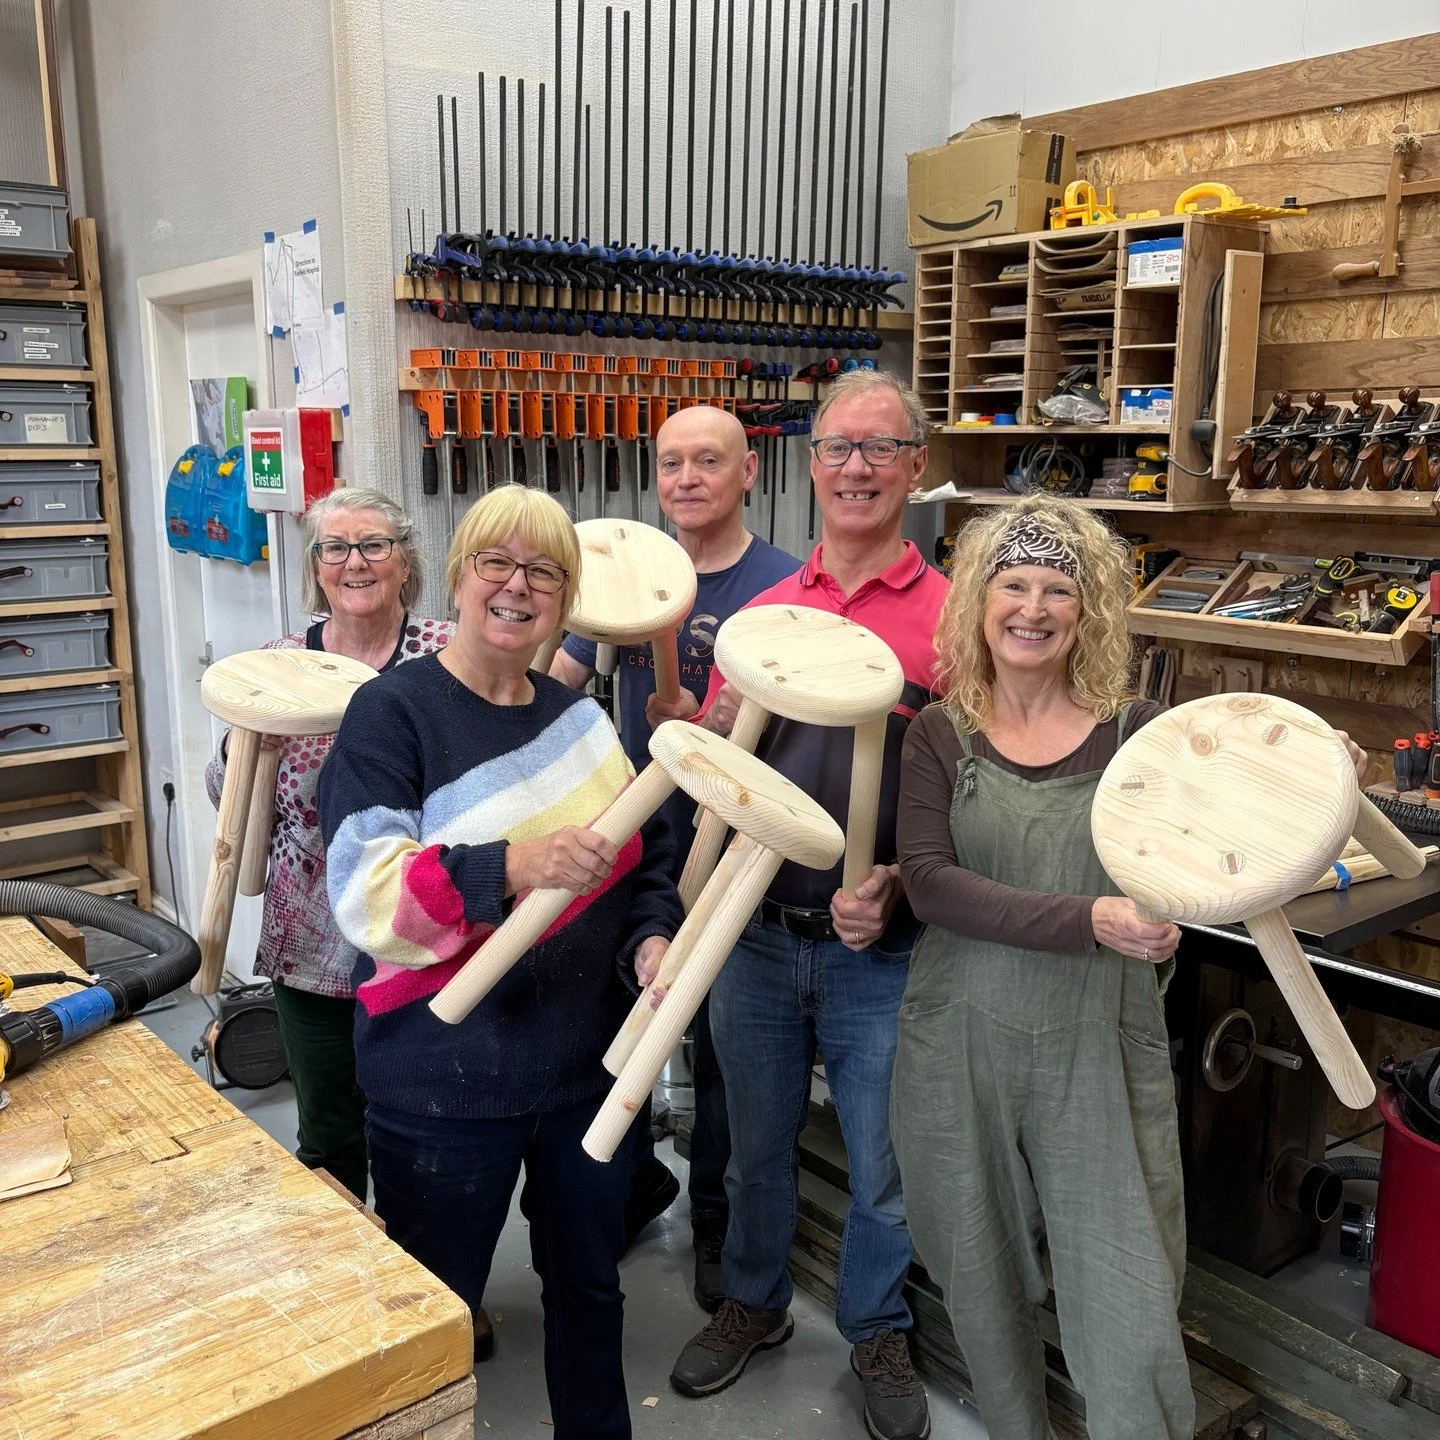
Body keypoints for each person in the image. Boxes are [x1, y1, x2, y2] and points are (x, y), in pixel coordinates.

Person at [891, 495, 1368, 1440]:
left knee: (1127, 1282)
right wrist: (1091, 917)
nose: (1032, 608)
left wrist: (1328, 771)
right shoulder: (938, 735)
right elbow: (930, 884)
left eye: (1057, 589)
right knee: (976, 1268)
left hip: (1096, 1046)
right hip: (959, 1038)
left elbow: (1242, 806)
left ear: (1089, 610)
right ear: (978, 602)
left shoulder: (1137, 736)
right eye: (1012, 584)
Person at [318, 484, 682, 1439]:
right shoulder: (390, 716)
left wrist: (651, 934)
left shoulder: (583, 722)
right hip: (439, 1087)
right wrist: (512, 865)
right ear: (458, 575)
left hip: (585, 1078)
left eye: (544, 574)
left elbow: (643, 866)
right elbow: (364, 894)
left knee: (590, 1298)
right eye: (498, 563)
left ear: (564, 603)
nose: (518, 588)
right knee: (430, 1323)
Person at [669, 371, 945, 1440]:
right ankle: (753, 1302)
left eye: (882, 449)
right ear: (812, 465)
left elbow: (967, 793)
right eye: (838, 448)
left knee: (881, 1165)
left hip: (879, 948)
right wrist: (717, 718)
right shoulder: (764, 612)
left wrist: (904, 886)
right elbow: (729, 774)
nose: (859, 468)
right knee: (752, 1145)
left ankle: (876, 1327)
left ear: (916, 468)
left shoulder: (953, 619)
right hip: (755, 935)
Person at [552, 403, 799, 1307]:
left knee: (725, 1052)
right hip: (634, 843)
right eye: (670, 464)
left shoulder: (784, 585)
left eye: (708, 462)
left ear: (746, 475)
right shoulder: (623, 576)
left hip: (739, 851)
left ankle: (715, 1227)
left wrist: (715, 726)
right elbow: (558, 687)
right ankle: (621, 1187)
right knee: (610, 1028)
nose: (687, 479)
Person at [204, 488, 450, 1205]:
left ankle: (431, 1294)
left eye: (374, 545)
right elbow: (227, 793)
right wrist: (252, 748)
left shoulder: (445, 655)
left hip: (424, 929)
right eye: (335, 548)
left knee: (422, 1129)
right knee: (329, 1135)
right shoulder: (281, 659)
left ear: (406, 561)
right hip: (310, 936)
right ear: (316, 567)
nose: (355, 563)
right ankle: (351, 1295)